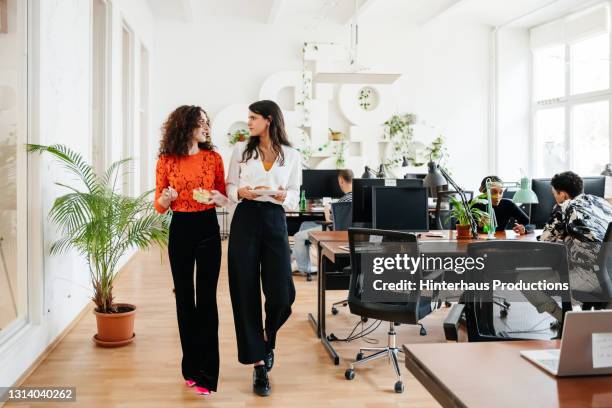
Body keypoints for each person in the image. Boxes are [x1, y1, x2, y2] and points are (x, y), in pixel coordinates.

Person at [226, 100, 300, 397]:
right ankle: (258, 365)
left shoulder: (292, 154)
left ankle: (268, 337)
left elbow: (295, 193)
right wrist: (238, 191)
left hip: (274, 218)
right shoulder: (241, 151)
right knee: (244, 290)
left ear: (269, 120)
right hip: (246, 218)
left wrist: (284, 197)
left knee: (282, 293)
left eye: (253, 118)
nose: (249, 123)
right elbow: (230, 187)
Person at [154, 105, 225, 396]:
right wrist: (167, 198)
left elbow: (222, 198)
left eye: (207, 123)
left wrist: (216, 197)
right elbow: (159, 207)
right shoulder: (166, 161)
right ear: (185, 127)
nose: (206, 128)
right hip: (180, 229)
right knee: (184, 299)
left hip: (208, 228)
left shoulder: (214, 158)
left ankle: (209, 374)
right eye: (200, 124)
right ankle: (191, 368)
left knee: (206, 300)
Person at [292, 169, 353, 275]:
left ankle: (304, 269)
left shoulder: (343, 201)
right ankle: (300, 259)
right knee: (304, 225)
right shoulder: (355, 197)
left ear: (341, 180)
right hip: (347, 231)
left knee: (298, 236)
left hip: (334, 231)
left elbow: (330, 220)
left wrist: (326, 208)